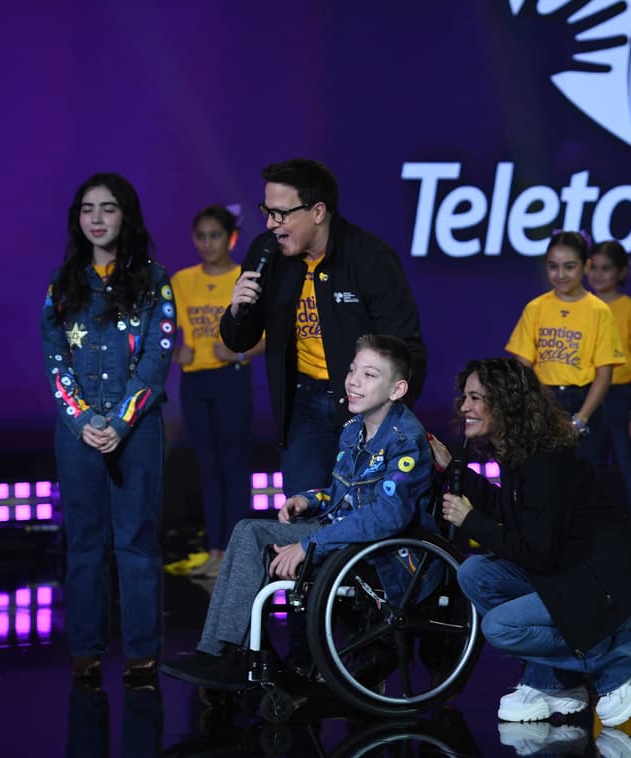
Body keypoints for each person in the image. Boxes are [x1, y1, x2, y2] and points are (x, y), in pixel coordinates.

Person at [160, 335, 435, 690]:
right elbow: (342, 495)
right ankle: (222, 651)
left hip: (384, 557)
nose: (352, 381)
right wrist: (309, 499)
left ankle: (230, 652)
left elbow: (386, 518)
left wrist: (310, 545)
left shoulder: (404, 440)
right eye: (352, 370)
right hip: (342, 536)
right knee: (249, 530)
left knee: (264, 537)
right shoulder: (353, 431)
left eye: (368, 375)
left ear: (397, 389)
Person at [434, 358, 631, 728]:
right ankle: (558, 681)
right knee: (474, 572)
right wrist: (454, 471)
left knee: (499, 626)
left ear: (505, 402)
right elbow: (515, 516)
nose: (465, 407)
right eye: (465, 398)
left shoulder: (543, 462)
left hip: (613, 593)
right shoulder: (518, 451)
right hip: (568, 578)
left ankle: (624, 660)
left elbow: (536, 554)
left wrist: (471, 520)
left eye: (475, 398)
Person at [219, 159, 427, 499]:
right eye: (266, 211)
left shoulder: (370, 258)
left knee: (363, 513)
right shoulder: (267, 253)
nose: (271, 224)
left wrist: (391, 419)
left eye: (281, 213)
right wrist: (238, 310)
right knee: (303, 512)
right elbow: (239, 339)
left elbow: (407, 348)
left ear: (318, 211)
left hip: (365, 405)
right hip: (302, 406)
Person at [41, 173, 174, 686]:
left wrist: (119, 422)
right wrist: (81, 419)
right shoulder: (63, 282)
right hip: (77, 432)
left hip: (136, 430)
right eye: (87, 209)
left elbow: (158, 358)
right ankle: (85, 650)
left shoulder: (153, 280)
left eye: (108, 209)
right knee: (85, 543)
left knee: (137, 540)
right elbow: (55, 359)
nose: (96, 219)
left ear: (127, 216)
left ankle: (142, 652)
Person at [170, 205, 265, 578]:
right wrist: (176, 352)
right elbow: (160, 333)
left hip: (231, 379)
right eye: (201, 236)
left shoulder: (245, 278)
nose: (208, 243)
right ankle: (214, 550)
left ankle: (235, 552)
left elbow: (270, 335)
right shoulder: (182, 280)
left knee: (234, 467)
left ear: (232, 238)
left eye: (215, 236)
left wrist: (240, 351)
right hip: (196, 383)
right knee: (208, 468)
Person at [504, 231, 624, 464]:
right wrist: (530, 408)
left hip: (584, 402)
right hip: (544, 401)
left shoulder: (598, 311)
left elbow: (604, 375)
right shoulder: (536, 308)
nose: (560, 275)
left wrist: (581, 419)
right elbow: (523, 368)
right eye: (553, 266)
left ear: (586, 266)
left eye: (569, 266)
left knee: (584, 482)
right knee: (544, 478)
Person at [584, 240, 631, 520]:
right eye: (593, 267)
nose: (598, 274)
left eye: (606, 268)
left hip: (621, 397)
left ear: (622, 272)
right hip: (587, 397)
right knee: (588, 472)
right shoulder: (582, 306)